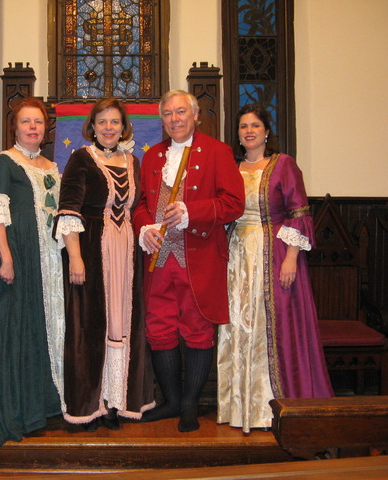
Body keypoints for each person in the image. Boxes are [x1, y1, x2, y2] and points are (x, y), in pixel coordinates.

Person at [133, 90, 245, 432]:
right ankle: (171, 401)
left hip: (198, 258)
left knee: (197, 331)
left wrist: (191, 212)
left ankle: (189, 405)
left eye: (181, 112)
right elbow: (139, 204)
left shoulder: (217, 152)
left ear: (196, 115)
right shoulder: (152, 156)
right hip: (158, 261)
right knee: (159, 330)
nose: (175, 119)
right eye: (167, 114)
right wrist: (144, 229)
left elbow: (234, 203)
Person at [217, 104, 333, 434]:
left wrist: (292, 258)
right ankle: (240, 407)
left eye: (255, 125)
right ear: (238, 134)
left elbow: (299, 214)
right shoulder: (232, 167)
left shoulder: (283, 165)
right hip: (237, 256)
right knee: (238, 326)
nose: (249, 131)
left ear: (267, 131)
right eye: (243, 127)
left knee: (270, 329)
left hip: (274, 254)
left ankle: (271, 408)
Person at [54, 98, 155, 431]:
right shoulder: (81, 159)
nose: (109, 128)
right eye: (102, 122)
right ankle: (90, 403)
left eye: (114, 122)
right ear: (92, 126)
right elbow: (68, 209)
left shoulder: (133, 160)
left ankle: (117, 400)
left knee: (123, 321)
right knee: (91, 325)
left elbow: (135, 208)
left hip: (125, 251)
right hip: (92, 250)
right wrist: (76, 258)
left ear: (123, 126)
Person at [0, 97, 65, 450]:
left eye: (38, 122)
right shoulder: (4, 163)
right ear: (14, 126)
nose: (32, 127)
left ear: (46, 128)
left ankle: (41, 406)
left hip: (47, 261)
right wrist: (6, 258)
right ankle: (14, 410)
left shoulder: (51, 165)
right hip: (18, 259)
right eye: (26, 122)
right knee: (15, 331)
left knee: (41, 329)